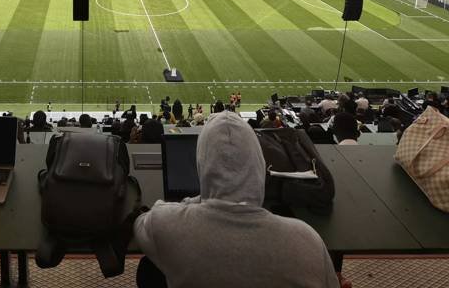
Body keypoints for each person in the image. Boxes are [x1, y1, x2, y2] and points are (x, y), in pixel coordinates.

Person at [133, 111, 339, 288]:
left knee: (148, 270)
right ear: (259, 164)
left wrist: (199, 200)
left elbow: (141, 223)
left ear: (202, 167)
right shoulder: (307, 242)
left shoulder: (165, 224)